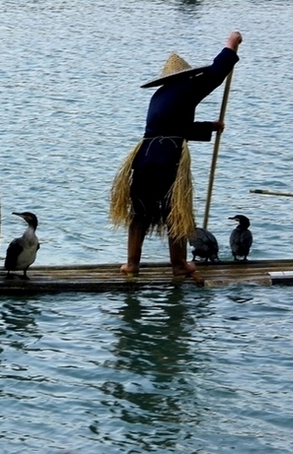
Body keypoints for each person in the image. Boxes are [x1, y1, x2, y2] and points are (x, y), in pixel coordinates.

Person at [110, 31, 243, 277]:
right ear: (188, 75)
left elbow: (170, 129)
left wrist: (208, 127)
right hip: (167, 159)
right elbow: (216, 73)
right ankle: (179, 265)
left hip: (144, 156)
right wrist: (231, 44)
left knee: (140, 211)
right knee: (175, 211)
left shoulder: (159, 96)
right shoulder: (188, 87)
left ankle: (132, 264)